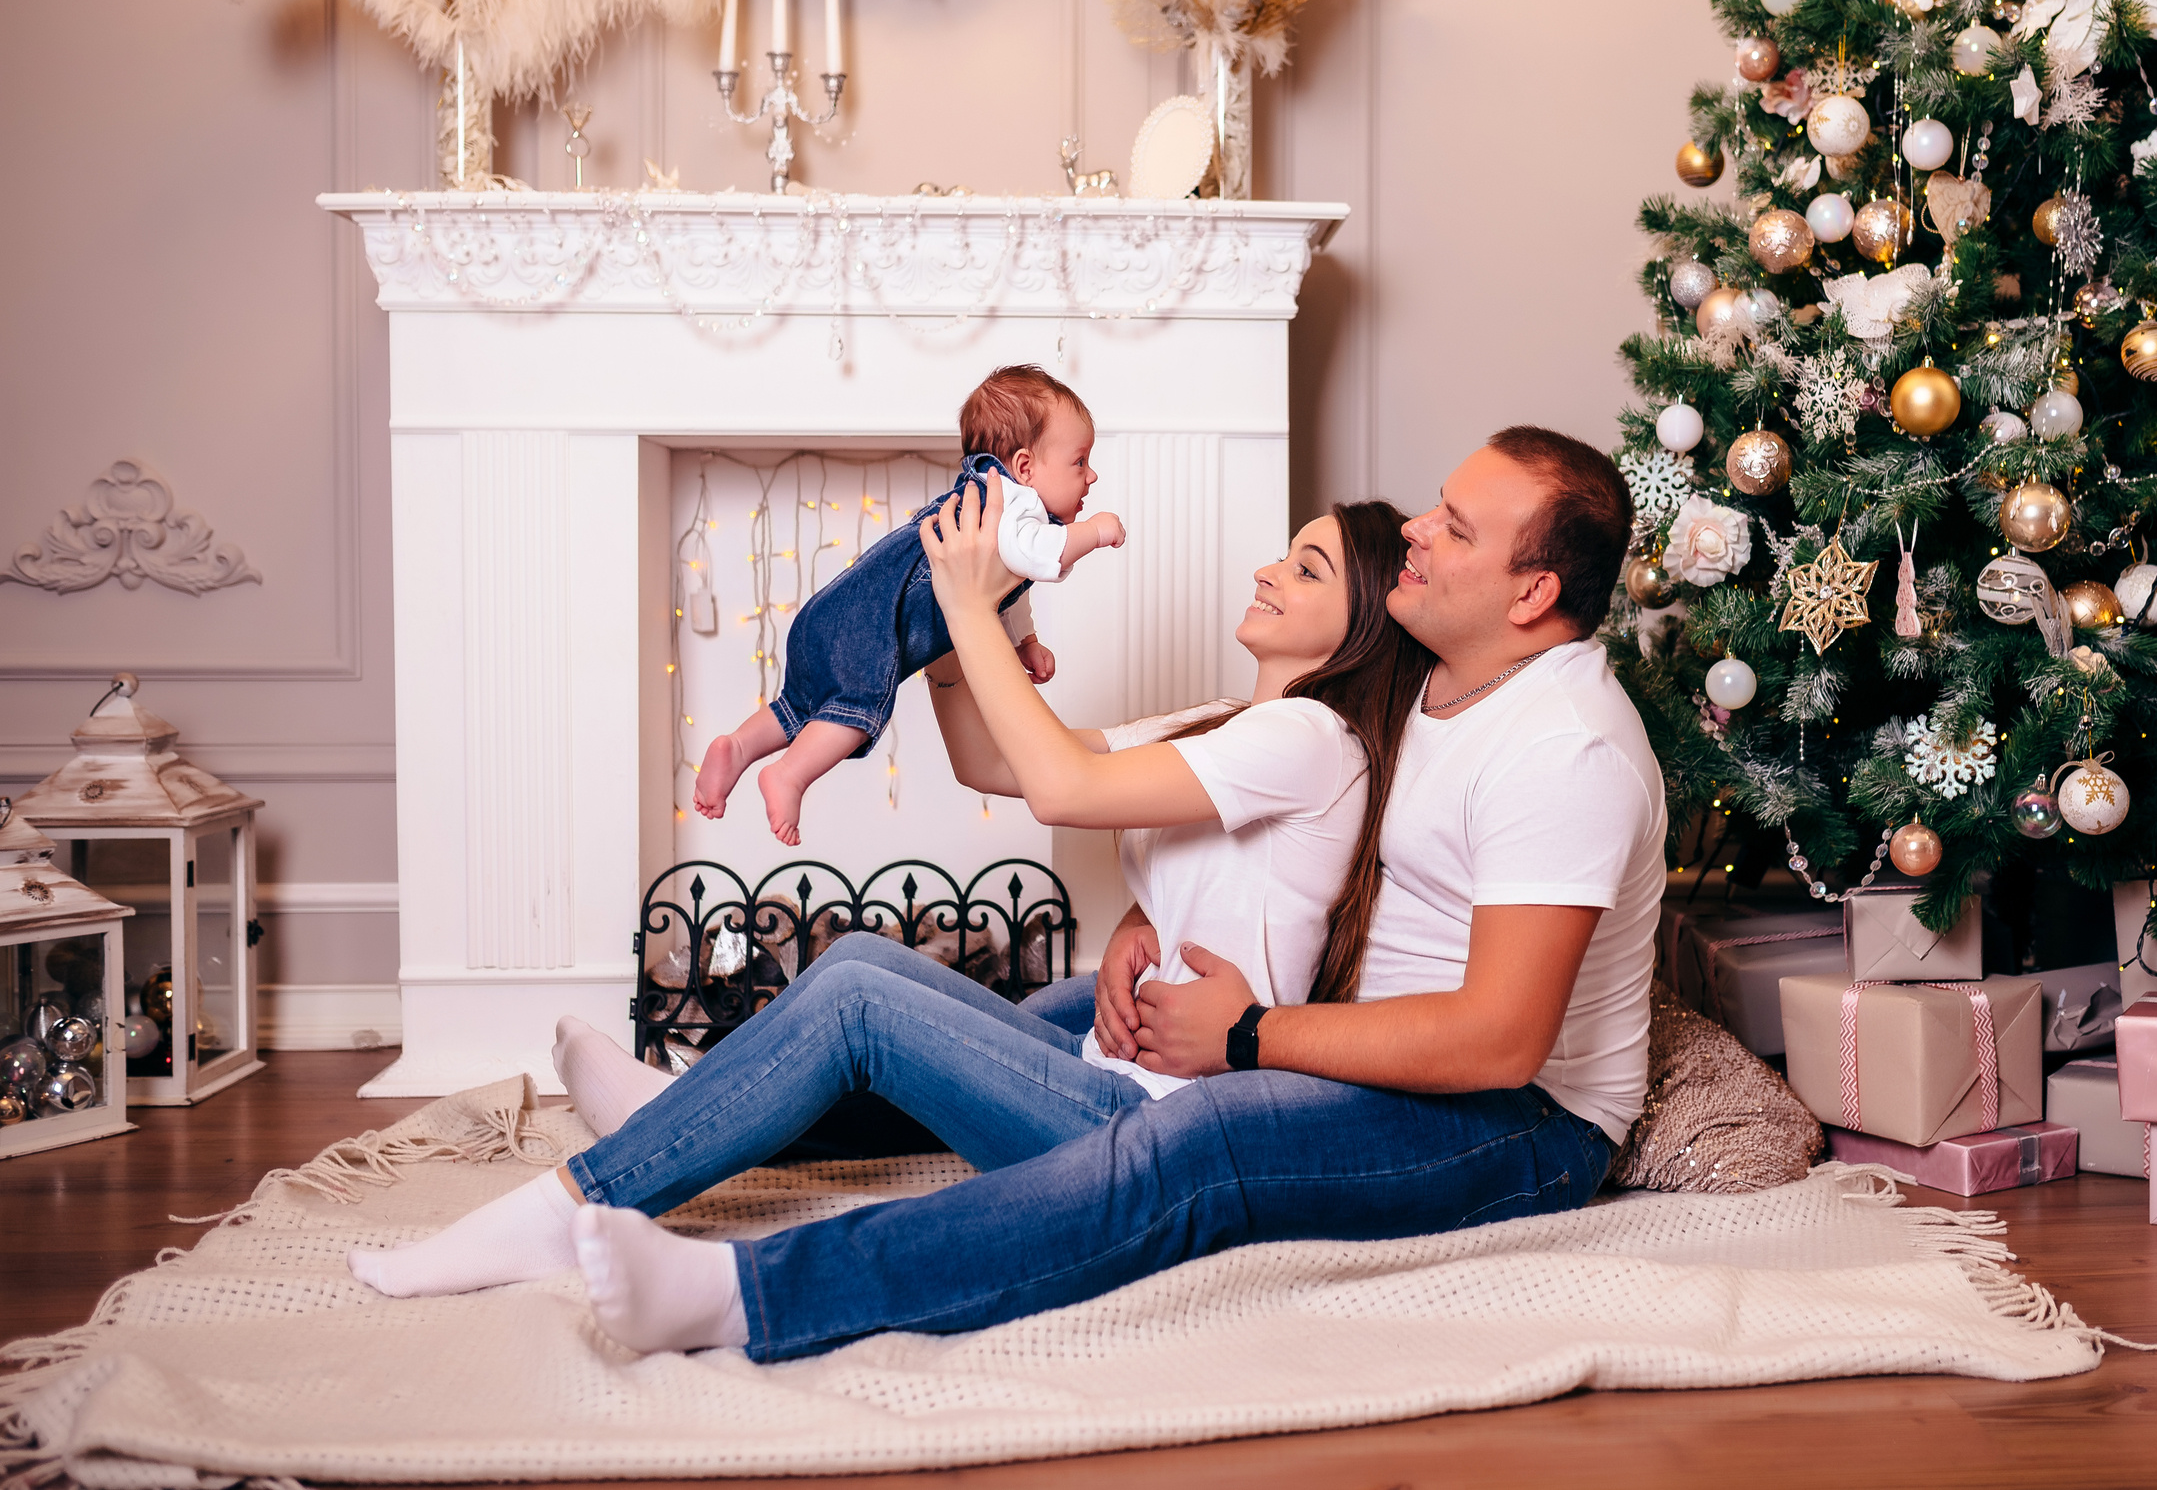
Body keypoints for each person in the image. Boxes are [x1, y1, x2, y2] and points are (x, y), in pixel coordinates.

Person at [366, 427, 1663, 1369]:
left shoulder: (1566, 748)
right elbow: (1123, 790)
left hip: (1519, 1120)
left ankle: (730, 1289)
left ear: (1535, 593)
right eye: (1428, 512)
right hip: (1381, 1052)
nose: (1418, 540)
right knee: (1056, 996)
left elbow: (1500, 1039)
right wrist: (940, 651)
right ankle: (694, 1118)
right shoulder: (1423, 691)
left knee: (1178, 1142)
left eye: (1452, 528)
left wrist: (1251, 1034)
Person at [690, 364, 1127, 845]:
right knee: (853, 712)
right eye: (1079, 461)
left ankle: (737, 746)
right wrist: (1095, 531)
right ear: (1024, 467)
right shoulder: (1014, 503)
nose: (1091, 475)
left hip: (833, 614)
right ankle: (789, 775)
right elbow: (1034, 555)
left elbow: (1006, 584)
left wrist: (1025, 640)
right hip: (870, 629)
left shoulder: (987, 506)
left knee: (802, 705)